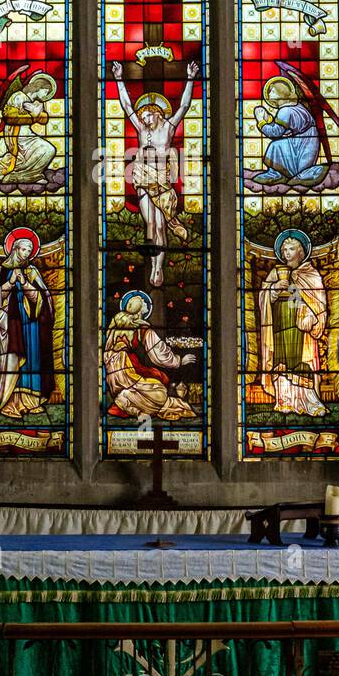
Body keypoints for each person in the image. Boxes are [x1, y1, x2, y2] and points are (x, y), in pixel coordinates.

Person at [112, 59, 198, 287]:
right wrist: (119, 80)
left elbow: (184, 107)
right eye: (142, 117)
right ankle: (154, 266)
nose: (142, 119)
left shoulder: (169, 127)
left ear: (156, 113)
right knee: (151, 225)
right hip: (143, 180)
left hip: (162, 184)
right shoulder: (141, 130)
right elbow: (127, 107)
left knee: (161, 225)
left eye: (146, 115)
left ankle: (159, 267)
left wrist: (190, 79)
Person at [0, 227, 55, 417]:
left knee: (32, 362)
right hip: (11, 324)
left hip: (31, 325)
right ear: (15, 249)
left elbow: (42, 301)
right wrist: (9, 282)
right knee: (12, 362)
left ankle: (31, 401)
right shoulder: (2, 271)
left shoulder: (31, 272)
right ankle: (8, 401)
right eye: (24, 249)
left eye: (29, 251)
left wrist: (24, 283)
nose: (26, 254)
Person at [257, 229, 328, 415]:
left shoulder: (310, 274)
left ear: (301, 251)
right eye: (284, 249)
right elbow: (263, 297)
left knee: (302, 363)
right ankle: (284, 400)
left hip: (301, 332)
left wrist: (310, 315)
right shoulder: (275, 273)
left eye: (291, 248)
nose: (286, 253)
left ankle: (307, 402)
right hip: (279, 327)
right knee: (281, 361)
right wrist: (273, 289)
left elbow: (319, 303)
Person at [104, 291, 196, 420]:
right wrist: (179, 361)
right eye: (144, 303)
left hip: (112, 369)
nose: (147, 305)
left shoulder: (117, 322)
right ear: (138, 308)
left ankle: (125, 399)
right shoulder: (141, 327)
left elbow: (107, 349)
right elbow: (158, 351)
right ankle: (127, 398)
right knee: (160, 390)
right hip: (127, 368)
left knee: (157, 377)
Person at [0, 71, 57, 187]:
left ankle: (25, 175)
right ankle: (21, 175)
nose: (45, 95)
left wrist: (37, 114)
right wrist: (33, 116)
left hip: (27, 135)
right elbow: (10, 117)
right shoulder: (18, 97)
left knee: (49, 149)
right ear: (38, 88)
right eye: (45, 91)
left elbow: (44, 119)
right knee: (45, 150)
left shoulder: (35, 102)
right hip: (16, 136)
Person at [252, 75, 326, 187]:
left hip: (302, 146)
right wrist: (269, 119)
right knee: (278, 144)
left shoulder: (285, 111)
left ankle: (277, 174)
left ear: (280, 93)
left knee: (275, 145)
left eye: (272, 91)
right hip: (306, 142)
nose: (268, 94)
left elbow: (275, 133)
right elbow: (285, 129)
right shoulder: (295, 106)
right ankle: (279, 173)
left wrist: (261, 121)